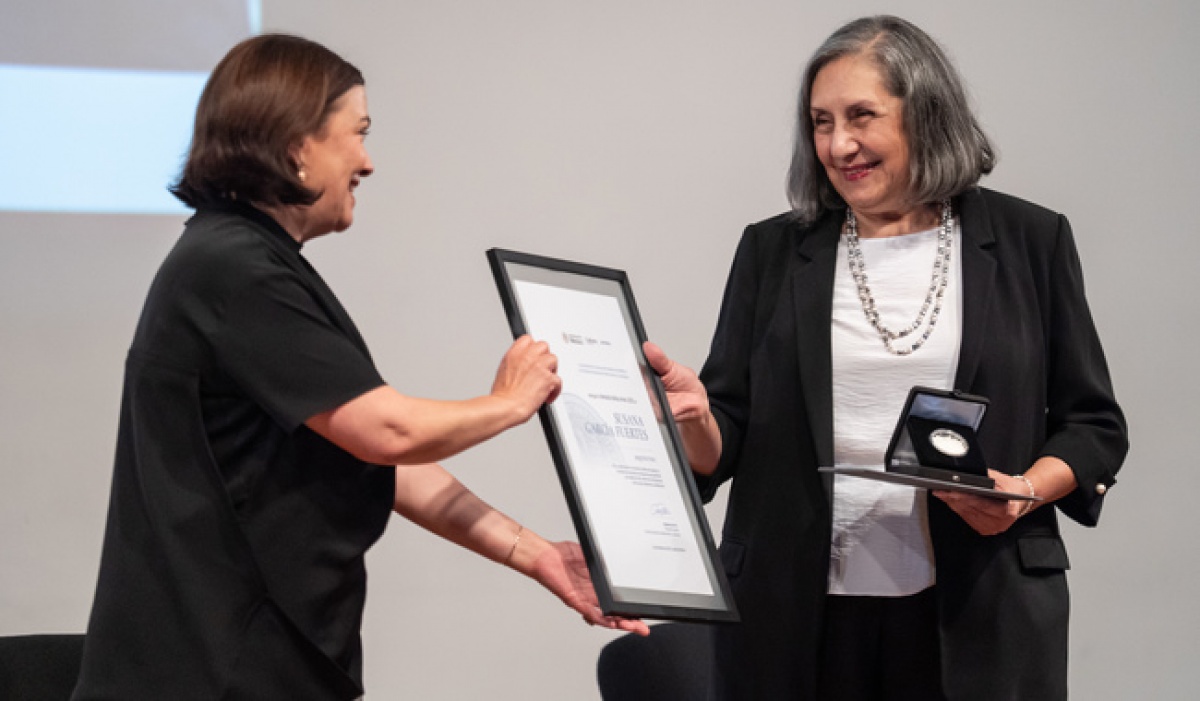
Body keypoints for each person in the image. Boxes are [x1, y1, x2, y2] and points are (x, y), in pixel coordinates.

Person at [71, 33, 646, 701]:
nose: (367, 163)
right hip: (215, 670)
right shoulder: (235, 270)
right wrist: (511, 400)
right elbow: (388, 431)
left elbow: (377, 455)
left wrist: (534, 552)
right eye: (358, 132)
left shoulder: (242, 260)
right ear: (297, 146)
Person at [644, 15, 1127, 701]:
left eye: (861, 116)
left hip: (978, 611)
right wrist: (695, 417)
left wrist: (1020, 492)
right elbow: (725, 435)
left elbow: (1093, 425)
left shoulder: (1030, 240)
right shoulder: (772, 251)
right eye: (820, 122)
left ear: (924, 116)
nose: (839, 145)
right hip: (795, 615)